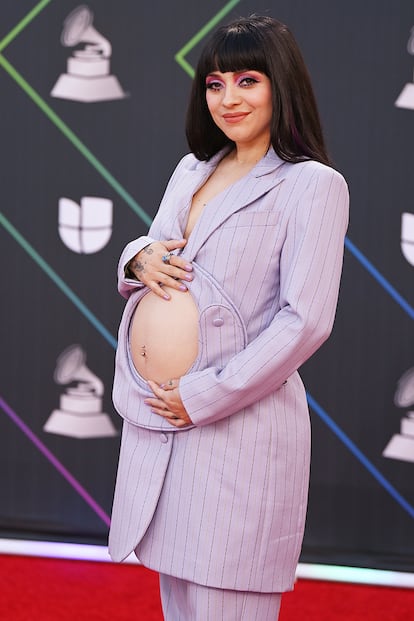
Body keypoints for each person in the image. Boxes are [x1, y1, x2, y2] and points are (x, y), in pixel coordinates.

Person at [108, 15, 349, 621]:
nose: (229, 98)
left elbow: (306, 320)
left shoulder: (312, 185)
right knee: (180, 606)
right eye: (215, 83)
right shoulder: (192, 168)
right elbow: (156, 255)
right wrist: (135, 257)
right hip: (164, 429)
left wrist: (206, 394)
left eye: (248, 80)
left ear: (281, 84)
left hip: (237, 432)